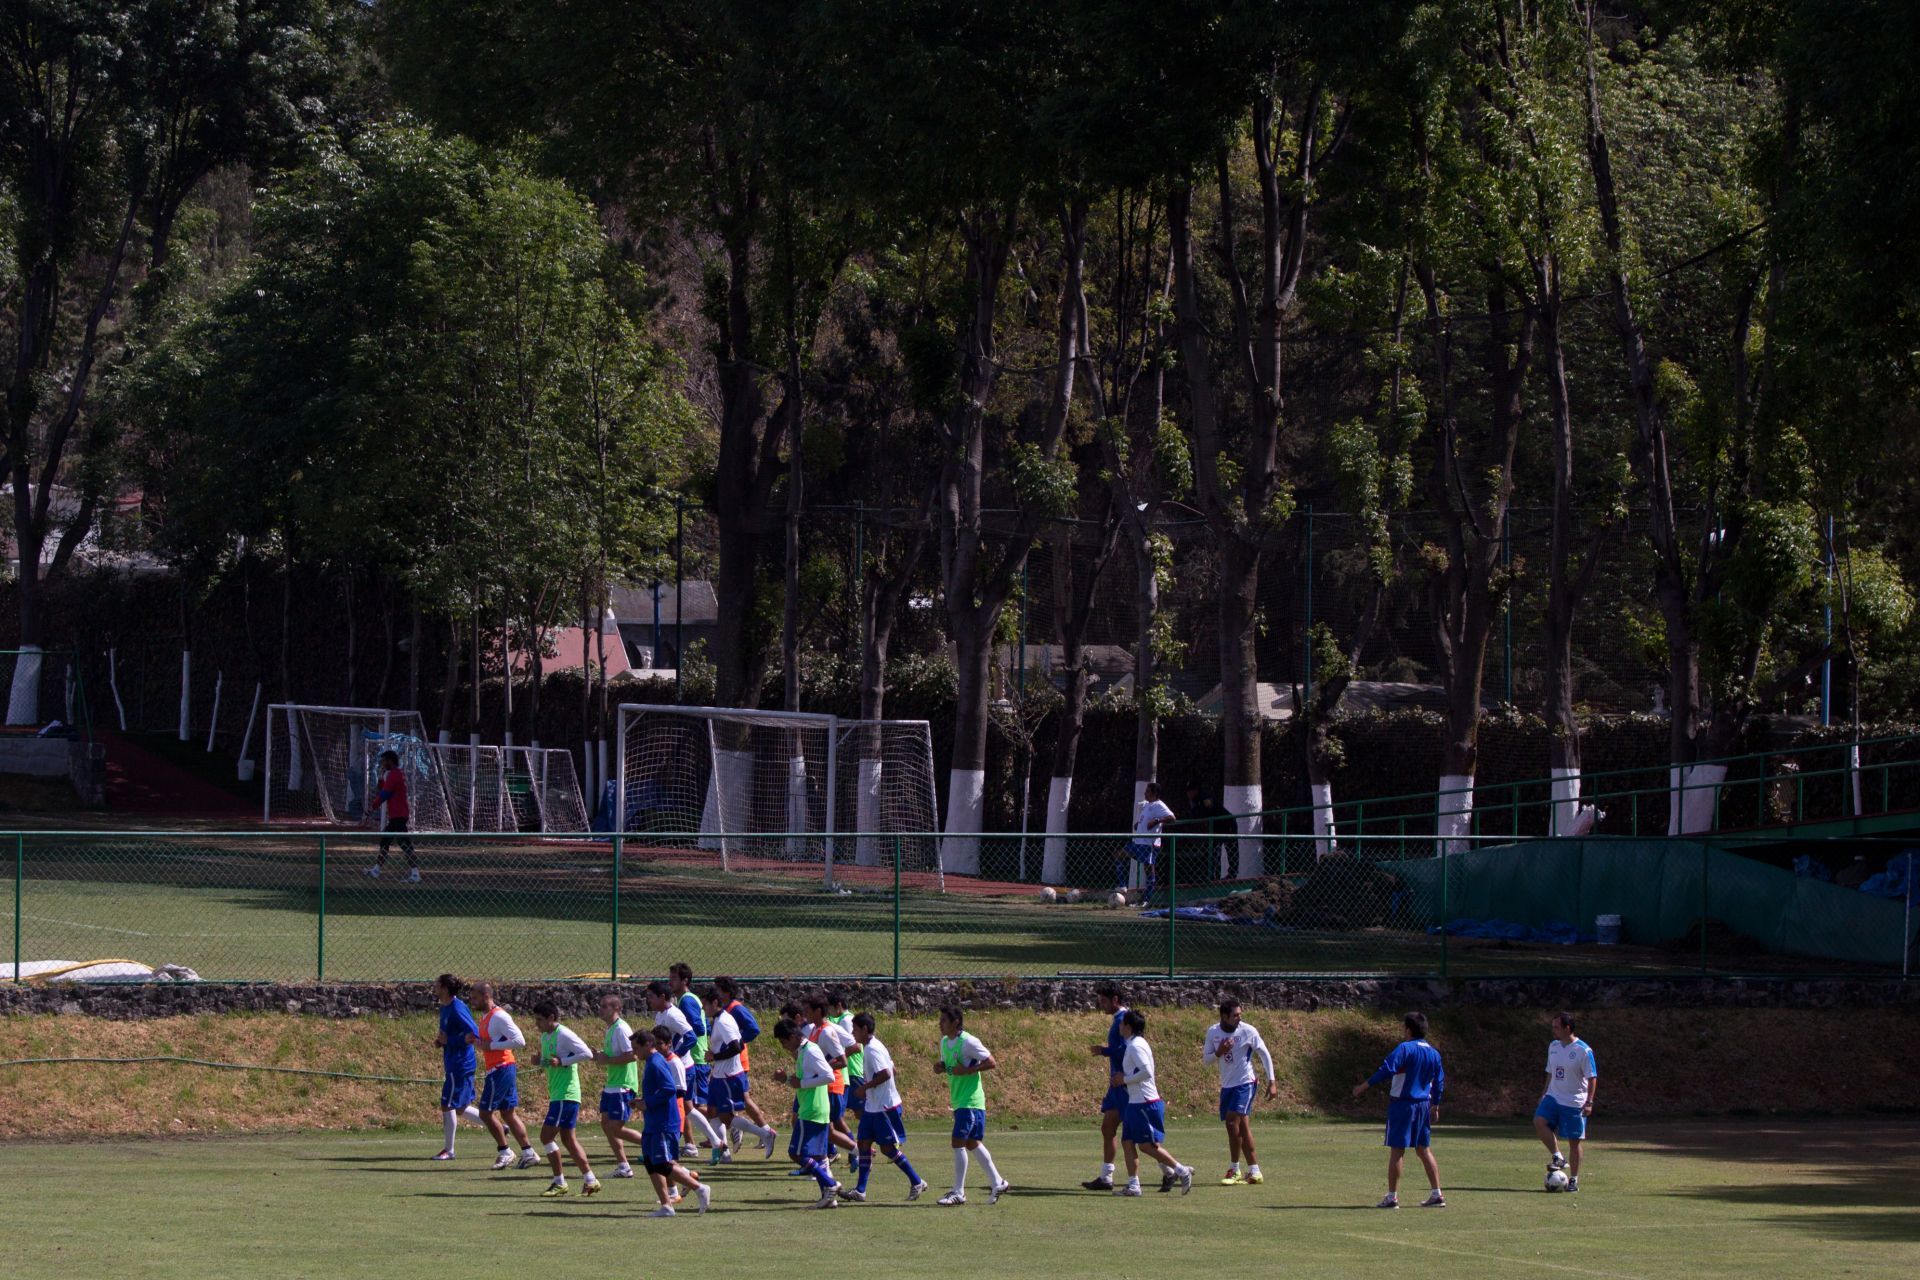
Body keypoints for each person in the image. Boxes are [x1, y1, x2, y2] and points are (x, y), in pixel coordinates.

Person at [1351, 1011, 1445, 1209]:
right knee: (1423, 1149)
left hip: (1403, 1104)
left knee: (1397, 1149)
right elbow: (1439, 1082)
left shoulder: (1405, 1048)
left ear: (1408, 1030)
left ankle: (1392, 1196)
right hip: (1423, 1105)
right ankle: (1436, 1193)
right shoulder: (1434, 1053)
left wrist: (1363, 1086)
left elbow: (1387, 1068)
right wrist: (1435, 1105)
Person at [843, 1012, 928, 1203]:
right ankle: (860, 1190)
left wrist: (865, 1087)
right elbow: (893, 1069)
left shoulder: (873, 1050)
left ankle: (917, 1181)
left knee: (888, 1149)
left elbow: (886, 1074)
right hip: (873, 1106)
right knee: (863, 1144)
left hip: (884, 1108)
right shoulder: (874, 1046)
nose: (852, 1033)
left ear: (865, 1029)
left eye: (855, 1029)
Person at [932, 1004, 1010, 1206]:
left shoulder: (969, 1042)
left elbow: (991, 1062)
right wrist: (941, 1067)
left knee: (958, 1142)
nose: (940, 1024)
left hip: (971, 1102)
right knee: (972, 1143)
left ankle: (958, 1192)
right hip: (959, 1101)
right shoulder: (944, 1042)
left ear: (955, 1022)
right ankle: (998, 1181)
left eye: (944, 1021)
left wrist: (966, 1071)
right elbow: (949, 1066)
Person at [1114, 1010, 1194, 1195]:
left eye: (1122, 1023)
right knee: (1127, 1141)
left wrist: (1123, 1079)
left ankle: (1181, 1170)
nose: (1119, 1026)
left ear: (1128, 1026)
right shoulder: (1132, 1044)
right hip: (1135, 1103)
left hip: (1145, 1103)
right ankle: (1134, 1185)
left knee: (1146, 1146)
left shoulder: (1136, 1046)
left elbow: (1147, 1071)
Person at [647, 981, 728, 1155]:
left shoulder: (673, 1015)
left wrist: (675, 1054)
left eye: (651, 997)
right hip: (674, 1067)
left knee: (682, 1107)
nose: (649, 1001)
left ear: (662, 997)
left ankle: (693, 1144)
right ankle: (712, 1142)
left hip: (682, 1068)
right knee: (688, 1108)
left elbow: (691, 1036)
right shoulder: (661, 1015)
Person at [466, 982, 540, 1170]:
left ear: (485, 996)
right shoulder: (485, 1017)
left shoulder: (498, 1016)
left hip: (502, 1068)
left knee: (485, 1112)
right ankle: (528, 1152)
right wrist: (476, 1042)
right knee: (508, 1113)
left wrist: (490, 1046)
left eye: (474, 997)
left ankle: (505, 1151)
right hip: (499, 1068)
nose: (471, 1001)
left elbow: (519, 1041)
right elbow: (489, 1042)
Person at [529, 1001, 600, 1197]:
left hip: (566, 1094)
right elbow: (550, 1062)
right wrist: (539, 1061)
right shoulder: (545, 1036)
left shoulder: (564, 1034)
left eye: (540, 1020)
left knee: (546, 1137)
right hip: (558, 1094)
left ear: (552, 1018)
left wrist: (563, 1061)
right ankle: (590, 1179)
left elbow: (586, 1053)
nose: (537, 1024)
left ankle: (559, 1182)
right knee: (568, 1140)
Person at [772, 1017, 843, 1208]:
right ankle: (829, 1198)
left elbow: (828, 1075)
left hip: (812, 1110)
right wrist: (786, 1079)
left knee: (796, 1153)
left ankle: (831, 1184)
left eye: (784, 1041)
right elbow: (803, 1082)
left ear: (794, 1036)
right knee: (819, 1157)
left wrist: (800, 1083)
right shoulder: (803, 1051)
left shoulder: (810, 1050)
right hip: (815, 1108)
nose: (783, 1046)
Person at [1205, 997, 1278, 1185]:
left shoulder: (1248, 1031)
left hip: (1245, 1083)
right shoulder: (1213, 1032)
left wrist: (1272, 1081)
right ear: (1224, 1016)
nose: (1239, 1018)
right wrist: (1219, 1051)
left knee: (1231, 1122)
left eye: (1240, 1014)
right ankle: (1255, 1171)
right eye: (1235, 1015)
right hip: (1227, 1085)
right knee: (1243, 1127)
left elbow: (1264, 1053)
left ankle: (1234, 1169)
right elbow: (1206, 1060)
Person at [640, 1026, 711, 1216]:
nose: (634, 1052)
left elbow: (670, 1089)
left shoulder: (657, 1063)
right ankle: (666, 1206)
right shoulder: (652, 1061)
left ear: (648, 1045)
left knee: (662, 1163)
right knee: (650, 1162)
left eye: (636, 1048)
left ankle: (699, 1187)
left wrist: (647, 1103)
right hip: (652, 1121)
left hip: (663, 1121)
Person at [704, 986, 778, 1158]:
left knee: (726, 1118)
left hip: (728, 1076)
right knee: (712, 1112)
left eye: (705, 1004)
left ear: (715, 1003)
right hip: (719, 1075)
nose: (703, 1008)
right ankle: (724, 1153)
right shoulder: (718, 1019)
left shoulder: (724, 1021)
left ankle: (765, 1134)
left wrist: (715, 1056)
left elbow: (737, 1047)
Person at [668, 962, 727, 1161]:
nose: (670, 982)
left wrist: (680, 1048)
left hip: (694, 1059)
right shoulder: (687, 999)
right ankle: (693, 1144)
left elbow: (698, 1029)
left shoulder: (686, 1001)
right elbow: (704, 1027)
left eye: (673, 978)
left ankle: (730, 1126)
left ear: (685, 980)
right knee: (687, 1104)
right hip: (694, 1058)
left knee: (692, 1105)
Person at [1534, 1011, 1598, 1193]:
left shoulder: (1583, 1051)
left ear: (1567, 1028)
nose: (1553, 1030)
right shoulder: (1553, 1046)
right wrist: (1544, 1093)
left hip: (1574, 1101)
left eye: (1556, 1027)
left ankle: (1574, 1180)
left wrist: (1589, 1102)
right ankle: (1558, 1157)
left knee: (1574, 1142)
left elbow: (1592, 1077)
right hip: (1554, 1096)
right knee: (1539, 1121)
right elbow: (1550, 1071)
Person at [1081, 981, 1131, 1191]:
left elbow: (1125, 1050)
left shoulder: (1124, 1020)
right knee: (1108, 1128)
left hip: (1125, 1083)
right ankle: (1106, 1177)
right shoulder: (1118, 1018)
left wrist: (1104, 1051)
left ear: (1115, 1000)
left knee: (1138, 1134)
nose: (1100, 1004)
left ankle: (1172, 1170)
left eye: (1103, 1001)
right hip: (1115, 1084)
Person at [591, 994, 647, 1180]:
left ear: (616, 1009)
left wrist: (608, 1060)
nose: (601, 1009)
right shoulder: (610, 1029)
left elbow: (632, 1055)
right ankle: (623, 1166)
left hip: (623, 1085)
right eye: (600, 1005)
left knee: (615, 1127)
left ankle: (652, 1144)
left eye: (605, 1006)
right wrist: (597, 1055)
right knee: (606, 1125)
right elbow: (610, 1057)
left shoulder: (621, 1029)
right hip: (612, 1085)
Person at [804, 991, 861, 1157]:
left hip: (832, 1085)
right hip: (822, 1085)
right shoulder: (815, 1030)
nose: (806, 1014)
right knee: (826, 1127)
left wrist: (825, 1068)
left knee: (828, 1127)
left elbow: (842, 1060)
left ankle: (857, 1151)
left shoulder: (827, 1032)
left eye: (808, 1010)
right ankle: (848, 1154)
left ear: (818, 1011)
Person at [430, 973, 479, 1161]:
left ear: (444, 988)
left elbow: (473, 1033)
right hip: (453, 1061)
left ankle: (449, 1150)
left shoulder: (457, 1008)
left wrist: (450, 1040)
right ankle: (499, 1128)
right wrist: (441, 1042)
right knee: (460, 1107)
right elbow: (449, 1034)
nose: (434, 986)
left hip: (460, 1064)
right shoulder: (445, 1008)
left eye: (437, 984)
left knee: (447, 1104)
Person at [364, 750, 420, 882]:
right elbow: (381, 790)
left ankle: (415, 874)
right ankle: (376, 870)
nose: (382, 763)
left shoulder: (395, 775)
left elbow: (384, 795)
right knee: (385, 841)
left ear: (390, 761)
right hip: (395, 815)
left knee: (405, 844)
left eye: (384, 761)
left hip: (399, 815)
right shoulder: (393, 775)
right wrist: (381, 777)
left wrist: (371, 808)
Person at [1118, 782, 1175, 905]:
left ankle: (1147, 900)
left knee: (1149, 869)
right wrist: (1139, 825)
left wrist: (1157, 821)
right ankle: (1122, 885)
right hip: (1137, 842)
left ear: (1154, 793)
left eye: (1147, 791)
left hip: (1148, 844)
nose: (1145, 793)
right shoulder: (1148, 805)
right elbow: (1146, 820)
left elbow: (1172, 818)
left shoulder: (1159, 805)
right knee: (1119, 855)